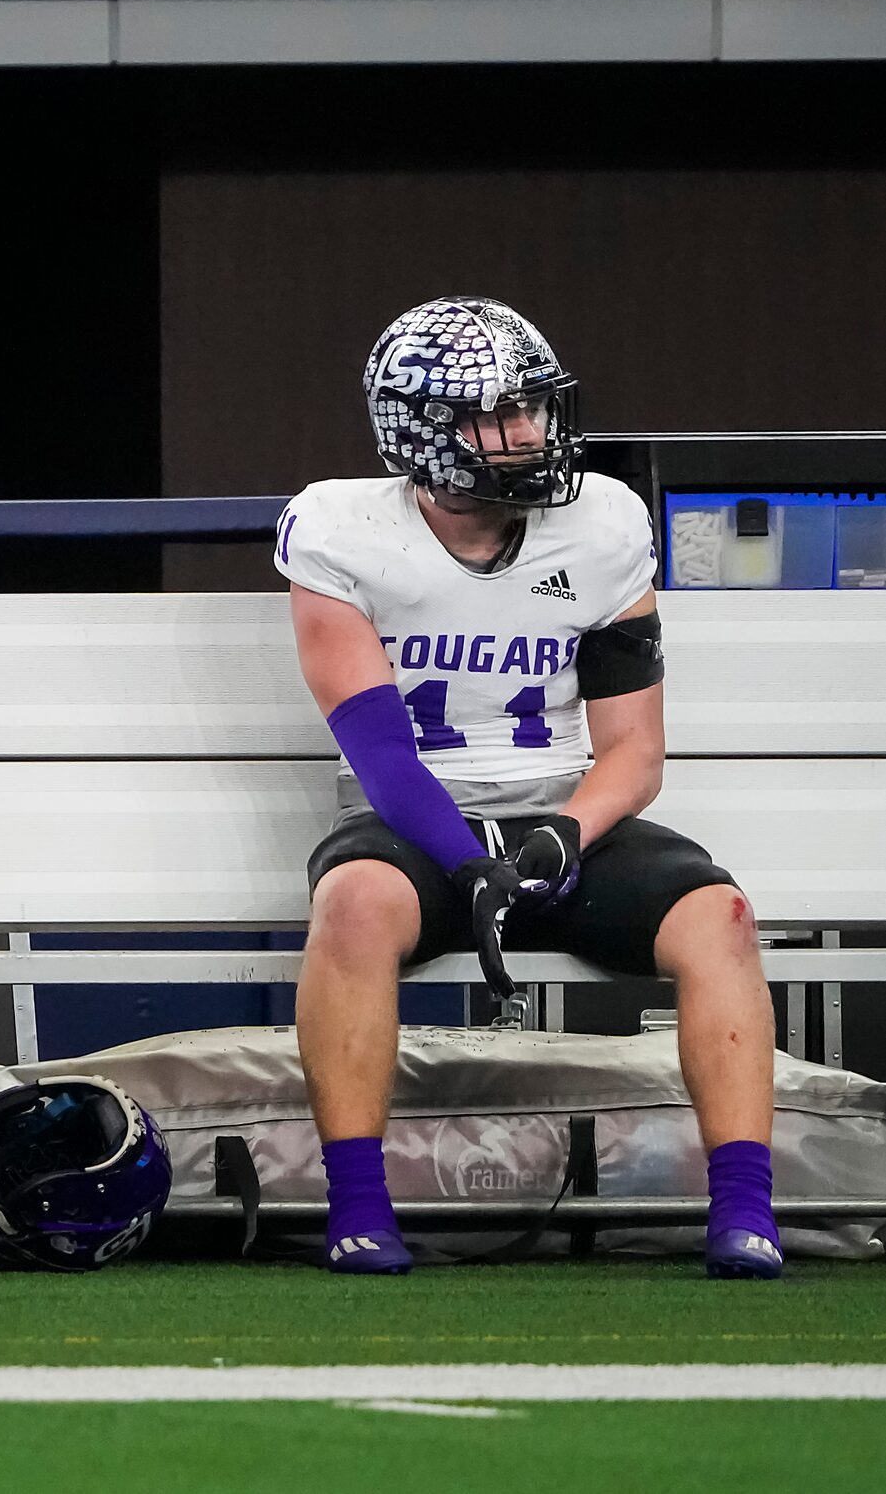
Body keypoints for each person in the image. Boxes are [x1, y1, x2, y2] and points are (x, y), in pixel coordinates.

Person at [280, 296, 781, 1279]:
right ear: (419, 431)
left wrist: (559, 837)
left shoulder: (601, 524)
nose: (528, 435)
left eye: (534, 408)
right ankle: (359, 1207)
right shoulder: (341, 529)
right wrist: (471, 864)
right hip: (417, 826)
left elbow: (634, 752)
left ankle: (744, 1211)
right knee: (352, 906)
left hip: (562, 818)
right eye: (495, 416)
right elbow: (383, 759)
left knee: (718, 915)